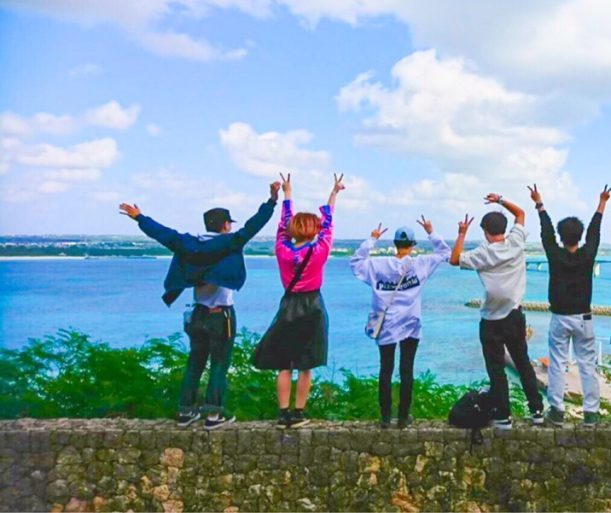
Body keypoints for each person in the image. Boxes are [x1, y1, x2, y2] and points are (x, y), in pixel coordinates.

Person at [117, 182, 279, 430]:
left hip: (197, 314)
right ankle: (213, 415)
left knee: (195, 363)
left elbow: (163, 234)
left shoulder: (188, 244)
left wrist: (140, 217)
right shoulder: (229, 242)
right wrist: (271, 201)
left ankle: (186, 411)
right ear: (225, 225)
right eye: (229, 223)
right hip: (221, 315)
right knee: (219, 364)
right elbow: (253, 225)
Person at [252, 173, 342, 429]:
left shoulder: (282, 249)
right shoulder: (319, 250)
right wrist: (333, 194)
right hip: (312, 306)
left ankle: (283, 414)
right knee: (305, 364)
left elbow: (282, 227)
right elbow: (328, 225)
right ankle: (299, 412)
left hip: (289, 305)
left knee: (285, 364)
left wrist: (287, 194)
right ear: (314, 230)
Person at [449, 193, 544, 429]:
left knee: (496, 369)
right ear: (504, 228)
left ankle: (503, 415)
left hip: (491, 320)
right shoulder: (516, 242)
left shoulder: (482, 253)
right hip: (514, 316)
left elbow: (454, 259)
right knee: (523, 363)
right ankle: (537, 410)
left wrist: (461, 233)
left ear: (485, 232)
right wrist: (500, 200)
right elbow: (520, 213)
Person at [351, 217, 452, 429]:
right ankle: (404, 416)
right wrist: (431, 232)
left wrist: (372, 239)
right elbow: (445, 253)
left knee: (385, 370)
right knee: (407, 369)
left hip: (386, 325)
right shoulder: (420, 264)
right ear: (412, 245)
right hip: (411, 324)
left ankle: (385, 417)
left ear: (395, 244)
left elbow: (356, 263)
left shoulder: (379, 265)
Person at [528, 184, 611, 427]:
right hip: (584, 317)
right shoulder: (587, 255)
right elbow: (595, 233)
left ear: (561, 237)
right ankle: (591, 412)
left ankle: (556, 410)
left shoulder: (555, 254)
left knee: (557, 363)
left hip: (559, 317)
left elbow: (546, 234)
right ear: (579, 236)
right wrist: (602, 204)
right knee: (587, 365)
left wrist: (539, 204)